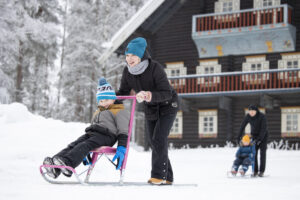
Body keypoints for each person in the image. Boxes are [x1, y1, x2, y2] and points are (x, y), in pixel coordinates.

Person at [117, 37, 179, 185]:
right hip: (151, 107)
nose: (129, 59)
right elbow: (123, 91)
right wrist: (110, 99)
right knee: (154, 141)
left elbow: (167, 92)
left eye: (133, 55)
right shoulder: (127, 72)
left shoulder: (155, 68)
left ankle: (158, 176)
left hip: (168, 105)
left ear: (141, 55)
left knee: (159, 138)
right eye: (127, 56)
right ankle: (168, 177)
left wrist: (149, 95)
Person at [42, 78, 129, 178]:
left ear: (114, 99)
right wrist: (82, 154)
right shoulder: (99, 111)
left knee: (85, 145)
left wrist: (122, 147)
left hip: (107, 136)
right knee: (74, 145)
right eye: (101, 100)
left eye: (107, 100)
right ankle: (55, 166)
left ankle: (68, 163)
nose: (104, 103)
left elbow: (123, 131)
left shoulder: (119, 111)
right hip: (92, 134)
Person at [237, 104, 268, 177]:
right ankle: (255, 171)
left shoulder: (262, 117)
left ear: (256, 111)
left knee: (262, 154)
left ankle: (262, 171)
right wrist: (238, 137)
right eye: (250, 111)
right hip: (254, 135)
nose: (251, 113)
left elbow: (263, 129)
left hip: (263, 136)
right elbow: (242, 126)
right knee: (254, 154)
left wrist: (259, 139)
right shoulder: (248, 117)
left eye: (253, 111)